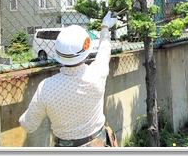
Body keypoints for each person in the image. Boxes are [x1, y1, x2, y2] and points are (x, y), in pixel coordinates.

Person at [19, 11, 118, 147]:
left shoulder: (46, 87)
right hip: (98, 143)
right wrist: (105, 27)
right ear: (86, 50)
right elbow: (104, 50)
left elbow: (29, 125)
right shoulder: (97, 73)